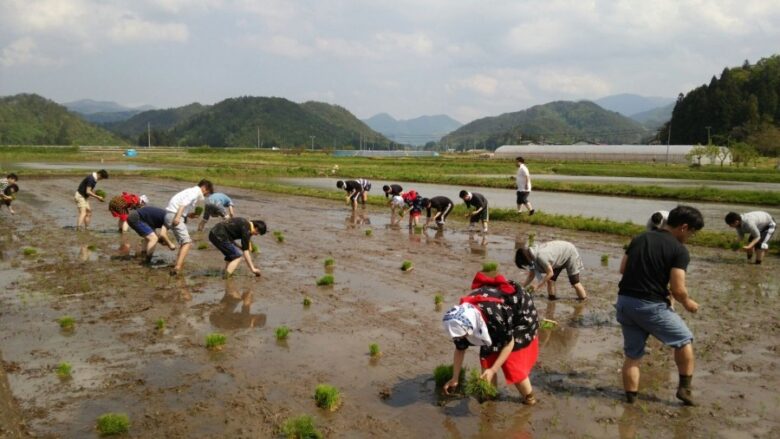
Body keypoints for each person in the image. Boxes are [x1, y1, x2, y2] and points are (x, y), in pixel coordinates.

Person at [616, 205, 703, 406]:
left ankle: (631, 399)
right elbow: (678, 289)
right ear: (683, 227)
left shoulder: (640, 238)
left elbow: (623, 268)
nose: (690, 237)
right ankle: (684, 389)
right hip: (650, 306)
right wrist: (687, 302)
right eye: (692, 232)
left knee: (632, 356)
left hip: (625, 302)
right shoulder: (679, 250)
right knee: (684, 340)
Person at [442, 272, 540, 405]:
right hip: (493, 318)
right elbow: (460, 349)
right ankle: (490, 395)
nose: (463, 338)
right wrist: (455, 378)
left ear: (472, 326)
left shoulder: (494, 314)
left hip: (520, 314)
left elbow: (509, 344)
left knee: (512, 363)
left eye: (465, 335)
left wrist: (493, 369)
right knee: (487, 358)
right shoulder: (459, 320)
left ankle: (529, 398)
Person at [165, 179, 214, 275]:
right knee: (187, 243)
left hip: (170, 214)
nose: (205, 195)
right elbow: (183, 203)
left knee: (184, 243)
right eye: (207, 193)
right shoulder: (195, 192)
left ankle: (178, 264)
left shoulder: (190, 190)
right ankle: (177, 268)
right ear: (204, 188)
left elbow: (179, 205)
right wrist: (178, 217)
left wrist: (187, 215)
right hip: (174, 215)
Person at [515, 240, 588, 300]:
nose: (526, 265)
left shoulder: (541, 256)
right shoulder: (530, 256)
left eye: (525, 264)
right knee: (550, 280)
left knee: (575, 283)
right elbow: (531, 275)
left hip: (569, 252)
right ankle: (552, 299)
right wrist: (522, 288)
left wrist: (537, 286)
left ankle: (583, 300)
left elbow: (550, 273)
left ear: (526, 260)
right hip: (557, 257)